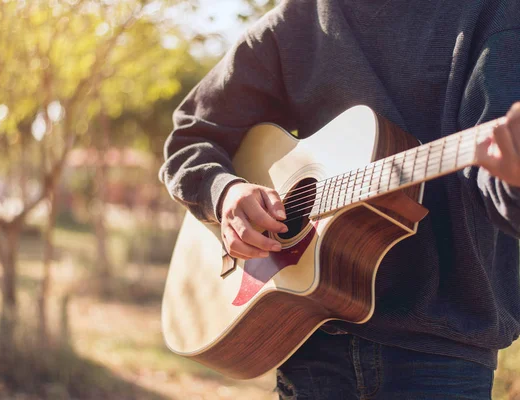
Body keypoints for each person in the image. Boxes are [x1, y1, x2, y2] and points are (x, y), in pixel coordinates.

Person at [159, 1, 520, 398]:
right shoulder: (299, 19)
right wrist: (224, 192)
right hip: (310, 339)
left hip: (442, 350)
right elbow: (193, 135)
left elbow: (499, 184)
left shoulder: (494, 13)